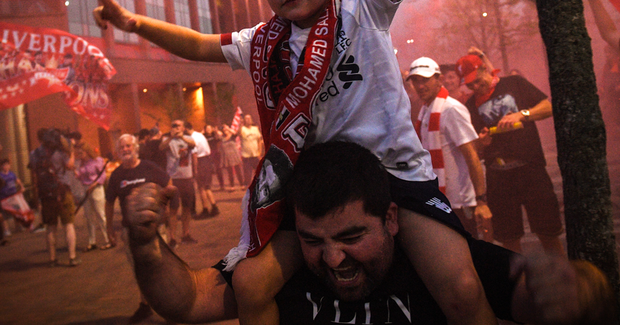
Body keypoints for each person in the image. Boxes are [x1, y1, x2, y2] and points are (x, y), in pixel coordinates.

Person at [90, 0, 493, 325]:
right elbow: (194, 44)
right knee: (253, 283)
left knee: (460, 288)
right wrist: (132, 22)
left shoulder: (363, 8)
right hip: (319, 196)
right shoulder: (261, 41)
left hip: (394, 176)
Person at [123, 141, 616, 325]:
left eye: (351, 236)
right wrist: (145, 243)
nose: (333, 260)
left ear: (393, 220)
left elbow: (545, 298)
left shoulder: (439, 264)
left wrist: (577, 290)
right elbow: (185, 301)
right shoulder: (282, 267)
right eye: (314, 240)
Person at [455, 54, 564, 255]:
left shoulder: (514, 83)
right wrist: (482, 143)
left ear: (485, 70)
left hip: (531, 169)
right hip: (498, 176)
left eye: (478, 81)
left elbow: (548, 107)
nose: (476, 87)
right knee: (509, 239)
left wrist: (522, 114)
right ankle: (522, 284)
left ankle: (563, 283)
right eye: (470, 85)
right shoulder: (469, 107)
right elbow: (474, 154)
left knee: (548, 232)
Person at [407, 57, 492, 238]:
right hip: (444, 202)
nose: (420, 86)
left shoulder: (451, 109)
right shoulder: (425, 110)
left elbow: (471, 156)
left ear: (439, 79)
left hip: (461, 202)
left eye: (425, 80)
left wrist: (481, 201)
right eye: (416, 81)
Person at [105, 133, 173, 324]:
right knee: (140, 271)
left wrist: (164, 206)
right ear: (118, 151)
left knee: (162, 268)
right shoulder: (117, 175)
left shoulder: (149, 167)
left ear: (135, 148)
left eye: (128, 146)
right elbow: (109, 202)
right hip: (131, 233)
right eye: (122, 147)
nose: (125, 150)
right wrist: (109, 228)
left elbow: (168, 184)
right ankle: (146, 305)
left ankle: (170, 307)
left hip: (155, 230)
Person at [29, 128, 81, 266]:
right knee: (68, 225)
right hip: (63, 191)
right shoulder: (60, 152)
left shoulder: (33, 154)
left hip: (46, 194)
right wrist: (71, 153)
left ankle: (52, 259)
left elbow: (34, 171)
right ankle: (72, 257)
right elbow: (70, 166)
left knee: (50, 228)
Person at [160, 120, 197, 245]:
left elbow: (193, 144)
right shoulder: (167, 139)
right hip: (173, 178)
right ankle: (172, 237)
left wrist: (182, 138)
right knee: (173, 208)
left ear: (183, 127)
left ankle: (186, 233)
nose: (176, 128)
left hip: (187, 177)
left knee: (187, 207)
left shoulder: (187, 138)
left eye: (178, 126)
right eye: (174, 126)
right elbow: (161, 147)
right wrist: (171, 136)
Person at [74, 146, 111, 251]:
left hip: (96, 188)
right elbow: (81, 177)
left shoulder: (97, 161)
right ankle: (92, 241)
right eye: (78, 154)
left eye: (81, 153)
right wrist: (76, 174)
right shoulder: (82, 164)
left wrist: (94, 184)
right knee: (89, 216)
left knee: (100, 214)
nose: (80, 156)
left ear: (86, 152)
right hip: (86, 189)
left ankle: (108, 239)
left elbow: (102, 175)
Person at [184, 121, 219, 218]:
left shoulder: (192, 138)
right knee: (207, 186)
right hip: (207, 160)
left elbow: (194, 155)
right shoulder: (199, 135)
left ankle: (205, 209)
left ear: (186, 129)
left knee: (201, 187)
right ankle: (214, 206)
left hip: (200, 162)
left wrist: (195, 170)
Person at [240, 114, 264, 187]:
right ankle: (249, 188)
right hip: (246, 155)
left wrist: (259, 152)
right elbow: (238, 133)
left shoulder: (255, 128)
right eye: (246, 119)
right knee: (247, 173)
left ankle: (260, 186)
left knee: (259, 171)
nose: (248, 120)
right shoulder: (242, 128)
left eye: (249, 118)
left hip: (255, 155)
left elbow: (259, 141)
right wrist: (240, 124)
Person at [219, 123, 244, 190]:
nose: (225, 130)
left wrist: (228, 128)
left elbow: (235, 133)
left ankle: (242, 184)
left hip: (234, 155)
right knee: (229, 172)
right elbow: (217, 135)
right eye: (224, 129)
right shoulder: (222, 137)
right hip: (226, 156)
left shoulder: (232, 136)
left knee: (238, 170)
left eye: (226, 129)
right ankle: (232, 186)